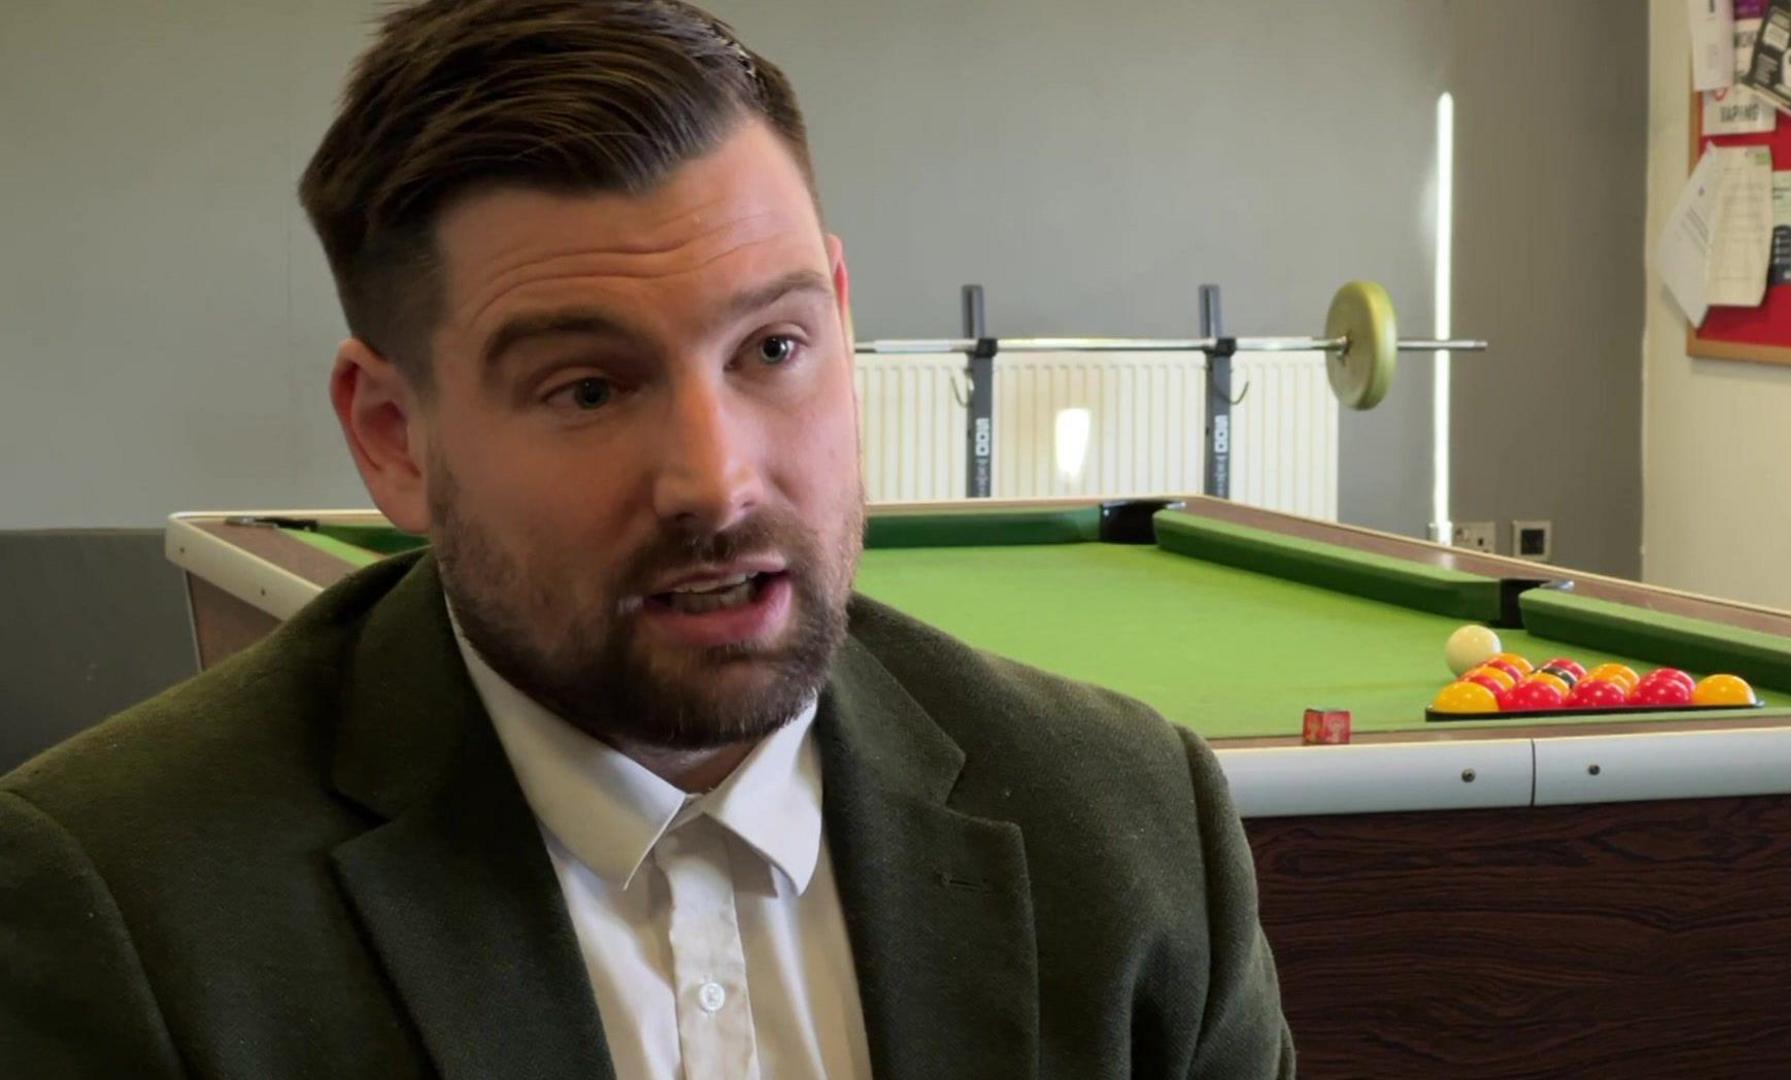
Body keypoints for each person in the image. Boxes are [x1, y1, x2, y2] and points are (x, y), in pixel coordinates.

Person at [0, 2, 1293, 1076]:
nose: (716, 480)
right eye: (587, 389)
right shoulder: (118, 901)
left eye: (772, 349)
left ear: (840, 317)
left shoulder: (1129, 829)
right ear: (395, 433)